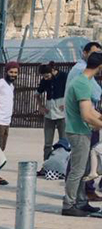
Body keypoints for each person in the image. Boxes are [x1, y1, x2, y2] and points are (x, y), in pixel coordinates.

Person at [62, 52, 102, 217]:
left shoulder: (81, 81)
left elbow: (91, 111)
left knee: (83, 169)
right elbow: (86, 114)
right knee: (77, 171)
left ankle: (81, 201)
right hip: (78, 132)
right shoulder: (82, 84)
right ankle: (69, 204)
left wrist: (99, 118)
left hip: (80, 130)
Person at [37, 62, 68, 164]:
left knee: (64, 141)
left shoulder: (64, 76)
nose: (46, 78)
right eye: (44, 76)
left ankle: (63, 164)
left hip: (62, 114)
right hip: (49, 114)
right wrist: (41, 106)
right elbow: (37, 93)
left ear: (53, 71)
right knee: (47, 143)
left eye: (47, 76)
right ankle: (46, 164)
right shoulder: (45, 80)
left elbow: (71, 90)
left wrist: (67, 103)